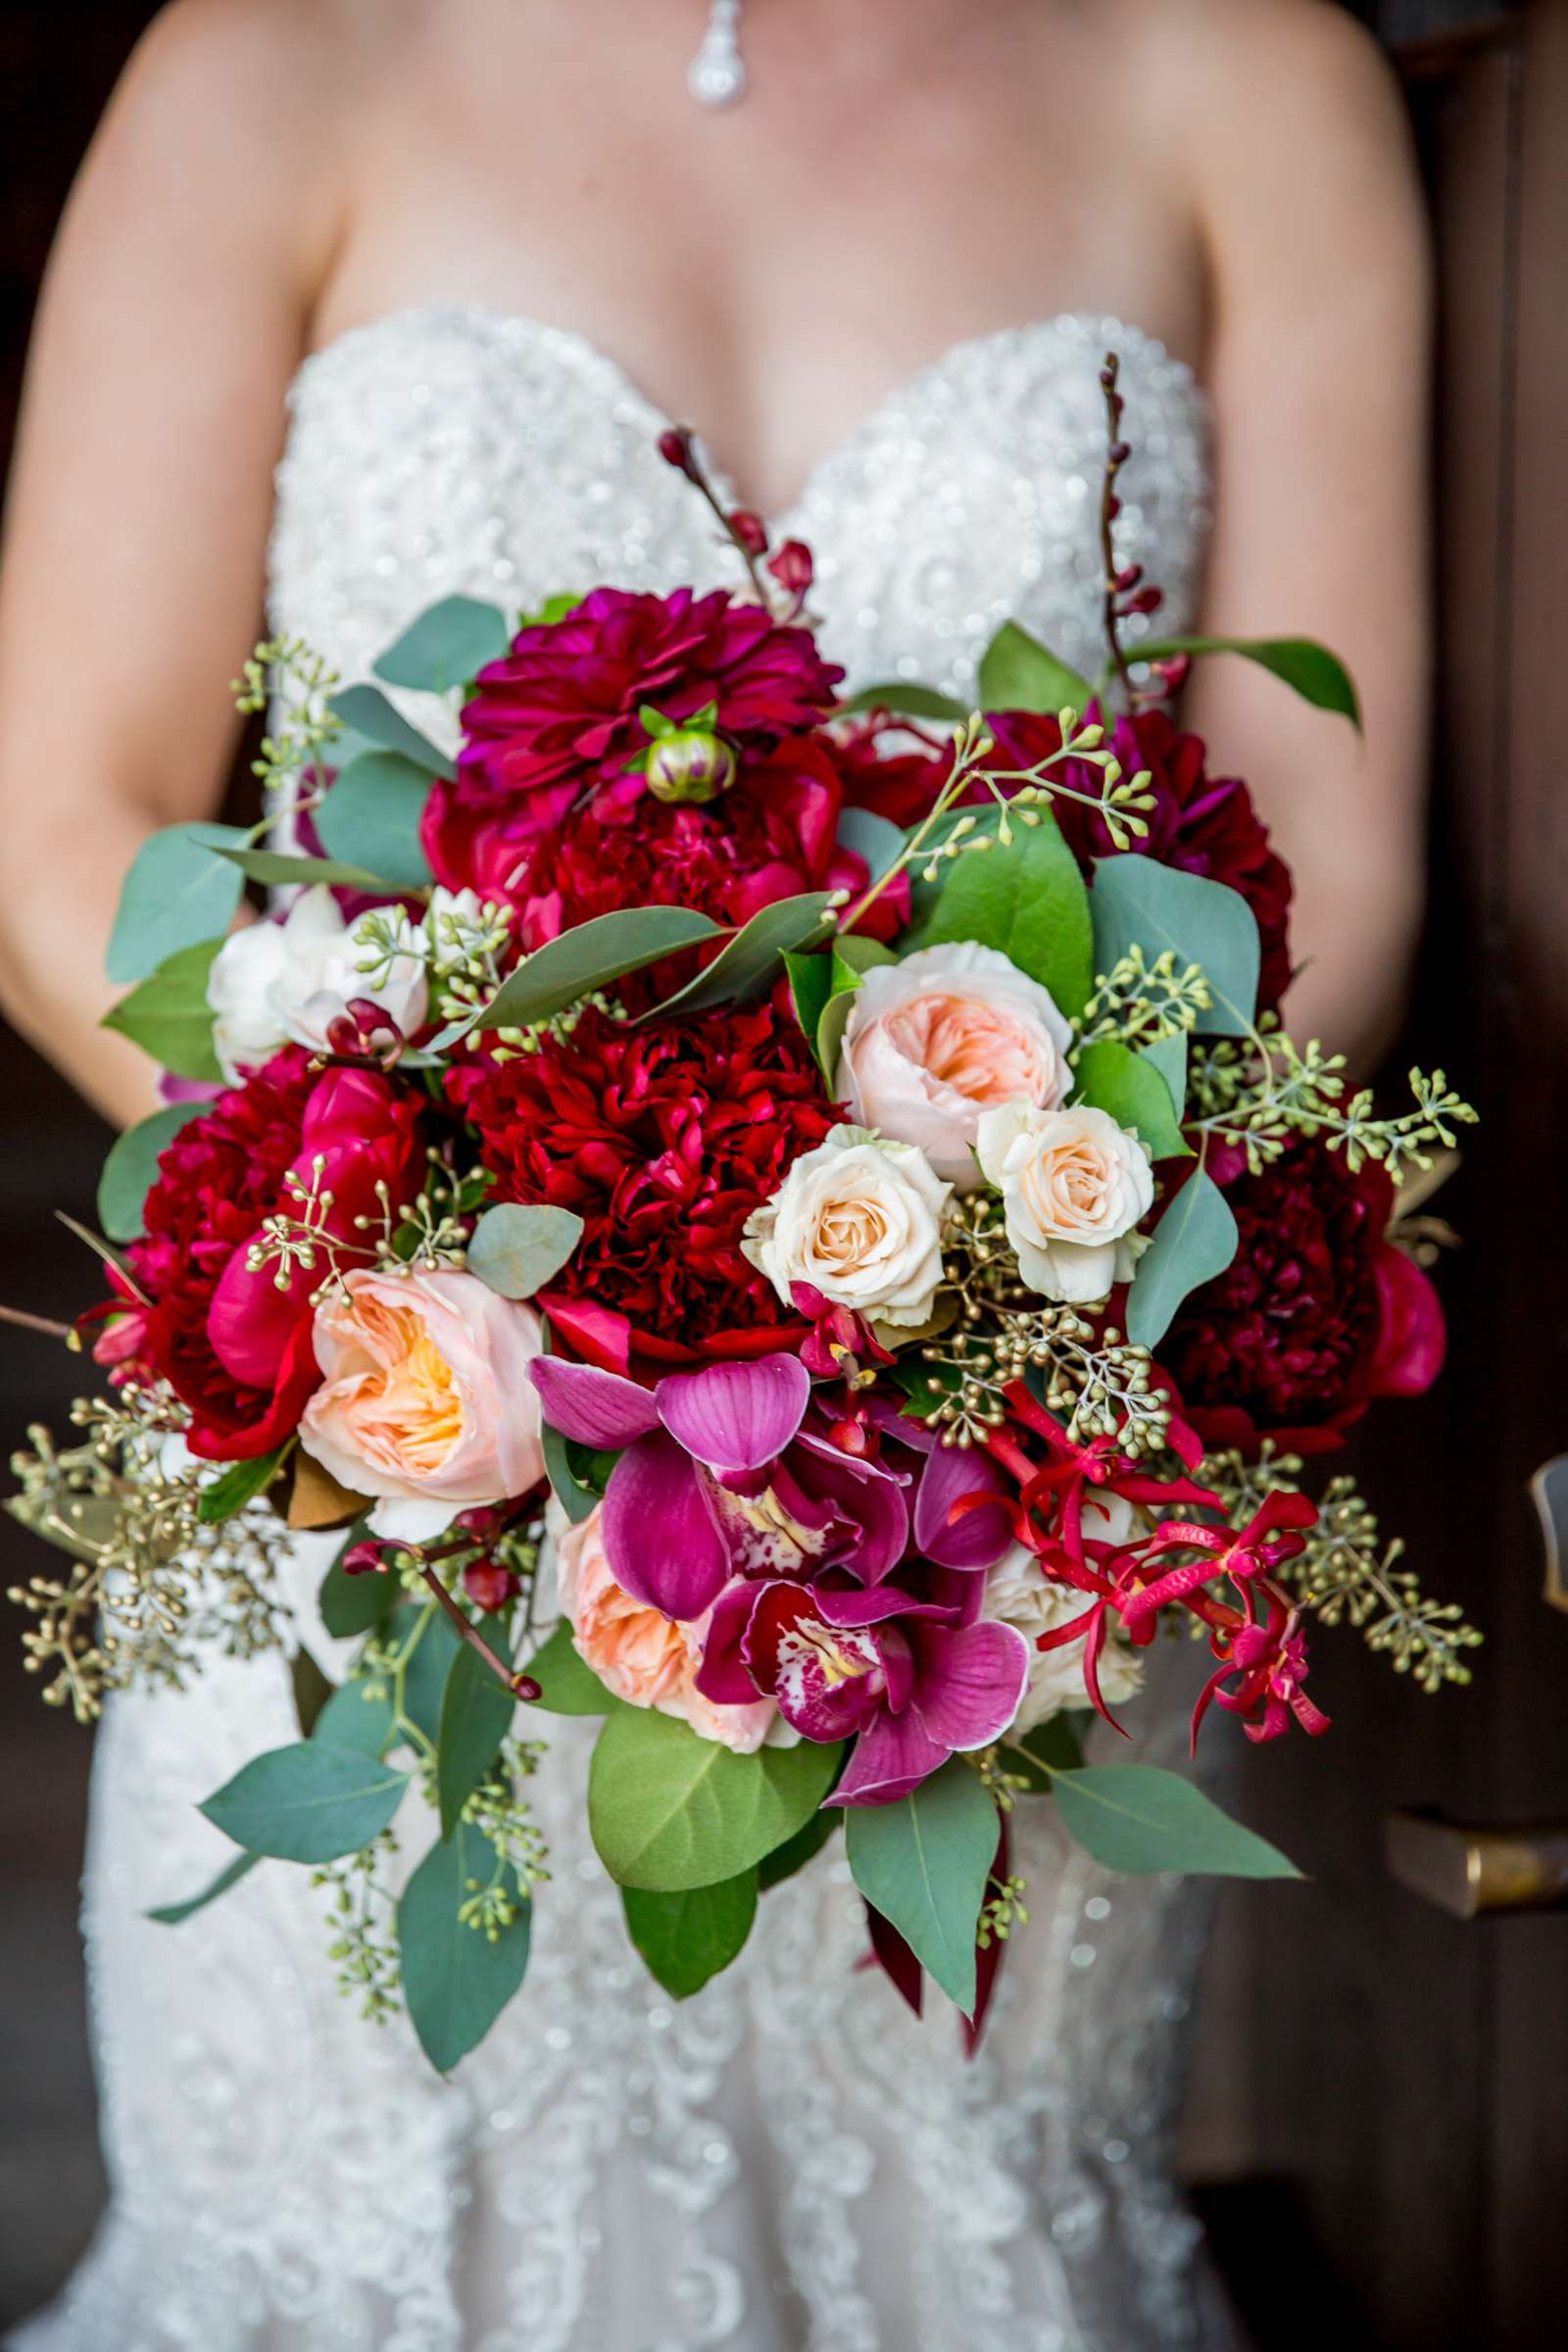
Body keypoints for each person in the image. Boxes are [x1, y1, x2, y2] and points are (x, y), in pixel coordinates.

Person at [0, 3, 1430, 2345]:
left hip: (998, 1540)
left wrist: (962, 1280)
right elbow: (67, 821)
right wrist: (426, 1214)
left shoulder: (1239, 74)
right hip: (400, 1466)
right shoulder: (264, 63)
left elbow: (1330, 867)